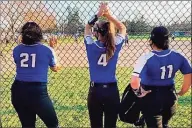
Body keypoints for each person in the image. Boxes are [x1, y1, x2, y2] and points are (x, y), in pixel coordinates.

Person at [130, 26, 191, 128]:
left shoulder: (146, 57)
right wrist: (181, 92)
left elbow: (134, 82)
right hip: (170, 96)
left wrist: (138, 92)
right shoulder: (178, 55)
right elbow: (189, 76)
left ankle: (143, 121)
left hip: (151, 97)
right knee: (164, 123)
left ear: (151, 40)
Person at [84, 2, 126, 128]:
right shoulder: (115, 45)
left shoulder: (91, 45)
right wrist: (108, 15)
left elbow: (87, 26)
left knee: (95, 125)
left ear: (96, 33)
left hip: (95, 91)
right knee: (110, 125)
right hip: (112, 91)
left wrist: (99, 14)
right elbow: (122, 28)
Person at [11, 22, 61, 128]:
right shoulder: (47, 50)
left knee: (27, 125)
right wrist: (53, 49)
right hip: (37, 92)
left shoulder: (16, 49)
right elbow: (55, 68)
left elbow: (18, 62)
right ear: (39, 35)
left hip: (18, 90)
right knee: (53, 124)